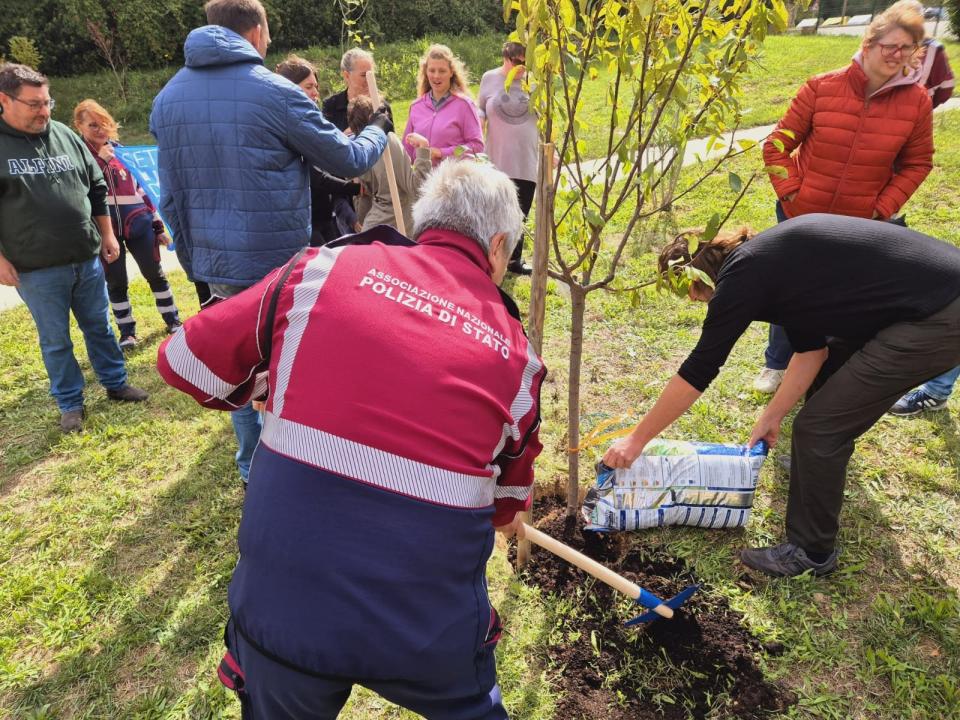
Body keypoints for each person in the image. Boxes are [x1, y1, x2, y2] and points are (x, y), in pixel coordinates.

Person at [157, 160, 545, 719]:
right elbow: (506, 508)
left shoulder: (318, 270)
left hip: (285, 616)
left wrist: (269, 384)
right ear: (500, 244)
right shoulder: (519, 359)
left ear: (421, 222)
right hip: (428, 633)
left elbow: (182, 360)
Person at [603, 214, 960, 578]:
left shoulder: (744, 276)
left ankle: (812, 552)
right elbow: (812, 352)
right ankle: (814, 469)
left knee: (820, 429)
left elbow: (700, 369)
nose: (693, 300)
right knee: (828, 380)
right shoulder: (773, 263)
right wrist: (771, 416)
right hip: (927, 299)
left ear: (697, 276)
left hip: (939, 315)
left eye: (686, 290)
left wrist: (637, 439)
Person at [150, 0, 388, 483]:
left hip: (216, 263)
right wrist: (378, 129)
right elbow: (345, 159)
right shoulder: (276, 94)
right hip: (275, 260)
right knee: (288, 359)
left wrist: (198, 261)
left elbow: (169, 192)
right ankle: (289, 462)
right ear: (257, 32)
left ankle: (251, 467)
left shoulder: (168, 98)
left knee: (239, 359)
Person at [757, 2, 933, 394]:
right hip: (801, 215)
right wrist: (792, 193)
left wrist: (881, 208)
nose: (897, 55)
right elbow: (777, 147)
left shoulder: (916, 102)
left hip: (859, 226)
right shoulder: (821, 86)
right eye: (890, 45)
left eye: (907, 48)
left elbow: (918, 163)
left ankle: (820, 371)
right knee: (790, 289)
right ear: (869, 43)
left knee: (837, 297)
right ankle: (776, 363)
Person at [0, 64, 148, 433]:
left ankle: (115, 383)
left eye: (47, 102)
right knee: (56, 340)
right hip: (36, 267)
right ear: (4, 100)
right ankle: (70, 403)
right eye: (33, 104)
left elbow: (96, 186)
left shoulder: (64, 134)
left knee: (99, 325)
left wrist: (108, 235)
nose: (44, 111)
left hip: (85, 256)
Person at [72, 99, 182, 348]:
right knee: (116, 281)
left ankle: (173, 320)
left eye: (104, 124)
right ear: (79, 126)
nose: (100, 130)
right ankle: (127, 332)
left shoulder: (121, 151)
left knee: (155, 273)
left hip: (138, 223)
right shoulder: (77, 157)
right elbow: (80, 190)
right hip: (104, 229)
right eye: (93, 125)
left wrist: (158, 227)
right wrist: (99, 161)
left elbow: (143, 190)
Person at [275, 55, 362, 246]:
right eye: (308, 87)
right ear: (290, 87)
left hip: (324, 214)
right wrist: (357, 188)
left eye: (316, 86)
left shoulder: (311, 119)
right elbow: (317, 176)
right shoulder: (289, 125)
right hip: (305, 222)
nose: (316, 93)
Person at [477, 41, 538, 276]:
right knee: (495, 209)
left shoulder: (534, 81)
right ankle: (488, 258)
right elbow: (481, 107)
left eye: (526, 62)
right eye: (517, 62)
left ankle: (514, 261)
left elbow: (547, 115)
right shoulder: (489, 78)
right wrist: (479, 120)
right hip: (497, 155)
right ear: (506, 58)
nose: (521, 67)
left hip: (526, 155)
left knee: (521, 210)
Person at [322, 48, 394, 236]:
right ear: (346, 75)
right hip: (344, 195)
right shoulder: (332, 106)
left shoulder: (381, 106)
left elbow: (390, 149)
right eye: (364, 75)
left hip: (376, 195)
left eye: (372, 74)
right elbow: (325, 155)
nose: (369, 80)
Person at [347, 95, 431, 233]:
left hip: (374, 226)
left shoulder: (357, 147)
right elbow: (417, 189)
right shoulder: (386, 141)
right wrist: (423, 149)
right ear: (373, 118)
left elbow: (362, 201)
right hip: (395, 226)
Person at [402, 44, 484, 167]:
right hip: (424, 181)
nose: (436, 76)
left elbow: (475, 146)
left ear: (451, 72)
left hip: (454, 180)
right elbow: (406, 151)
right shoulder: (416, 107)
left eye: (442, 71)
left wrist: (441, 152)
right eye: (432, 70)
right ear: (426, 72)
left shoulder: (464, 105)